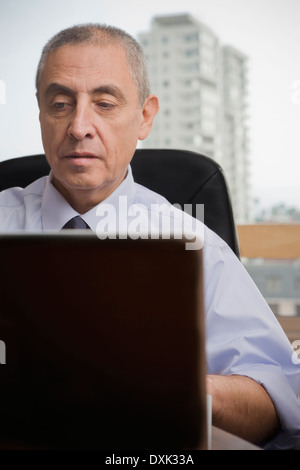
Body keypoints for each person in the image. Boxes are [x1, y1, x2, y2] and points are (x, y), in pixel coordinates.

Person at [0, 23, 299, 449]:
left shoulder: (194, 244)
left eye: (104, 103)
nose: (79, 125)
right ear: (41, 113)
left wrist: (177, 388)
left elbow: (275, 405)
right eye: (61, 103)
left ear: (144, 117)